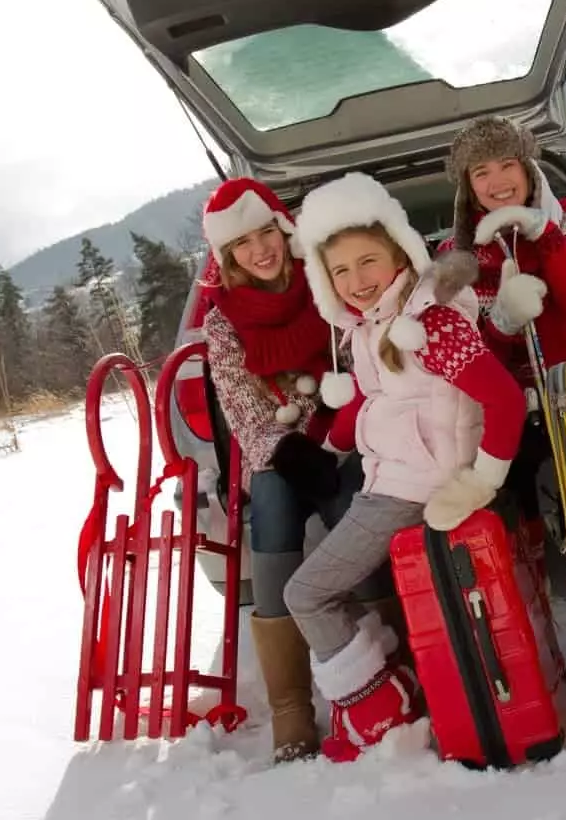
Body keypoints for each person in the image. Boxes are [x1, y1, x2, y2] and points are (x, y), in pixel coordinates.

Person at [283, 171, 526, 762]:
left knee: (305, 593)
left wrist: (480, 482)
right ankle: (393, 687)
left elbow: (505, 400)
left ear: (399, 254)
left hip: (417, 487)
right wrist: (327, 450)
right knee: (321, 556)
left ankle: (380, 714)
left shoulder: (429, 324)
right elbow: (376, 400)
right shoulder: (370, 328)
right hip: (390, 476)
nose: (356, 282)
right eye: (340, 271)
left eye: (368, 262)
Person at [201, 177, 340, 763]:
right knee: (274, 512)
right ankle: (291, 709)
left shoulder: (326, 281)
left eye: (267, 233)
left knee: (355, 502)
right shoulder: (221, 323)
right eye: (242, 244)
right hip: (280, 451)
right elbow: (244, 416)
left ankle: (398, 666)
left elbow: (356, 353)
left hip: (341, 429)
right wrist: (291, 452)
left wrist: (338, 434)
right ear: (227, 256)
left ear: (284, 229)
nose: (261, 250)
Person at [440, 114, 566, 535]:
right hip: (511, 412)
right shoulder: (455, 259)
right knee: (513, 496)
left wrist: (545, 234)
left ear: (528, 168)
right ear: (468, 187)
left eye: (507, 164)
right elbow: (467, 356)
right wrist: (503, 322)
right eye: (481, 172)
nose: (498, 181)